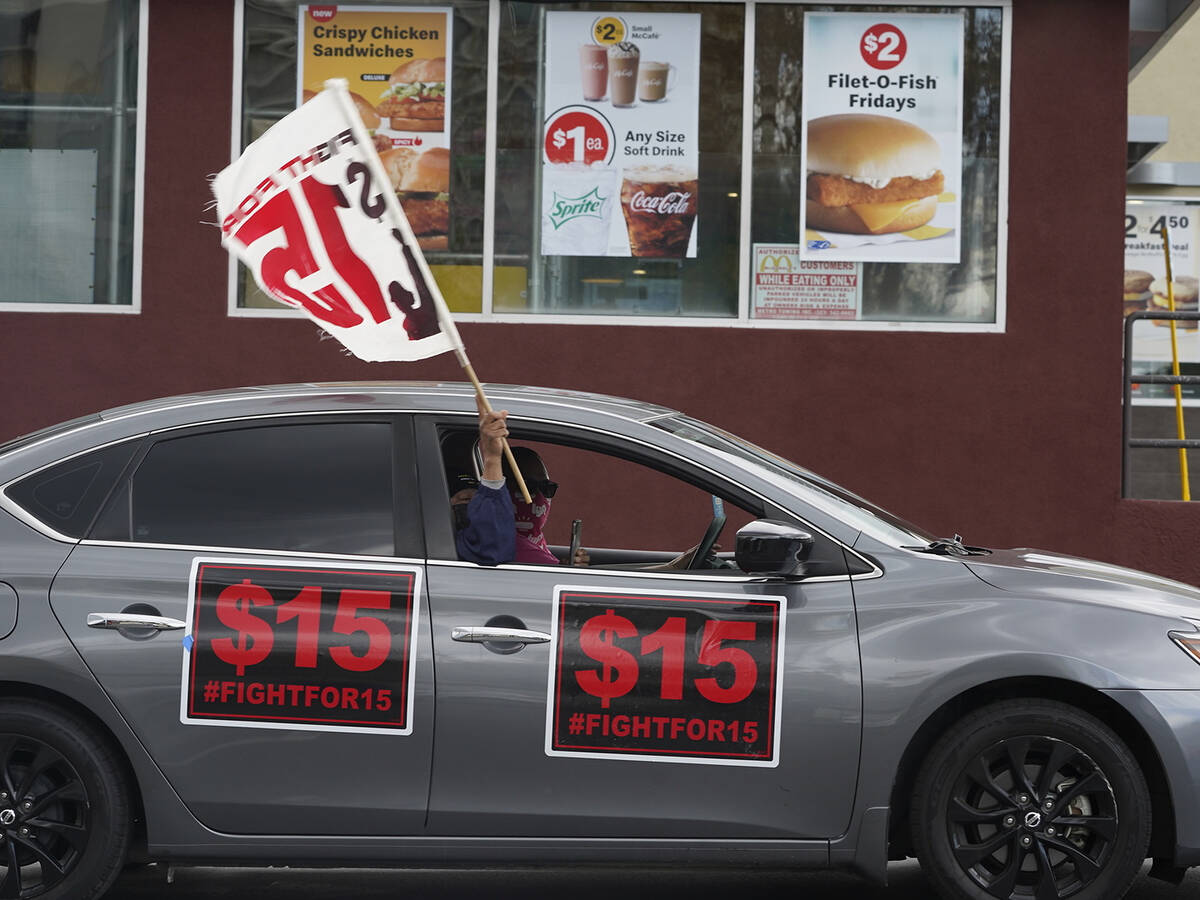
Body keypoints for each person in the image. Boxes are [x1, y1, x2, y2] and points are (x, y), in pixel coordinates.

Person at [450, 396, 589, 567]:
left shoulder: (532, 541)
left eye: (546, 488)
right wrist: (492, 459)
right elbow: (492, 541)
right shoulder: (499, 543)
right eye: (528, 486)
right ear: (502, 491)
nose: (538, 497)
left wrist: (566, 566)